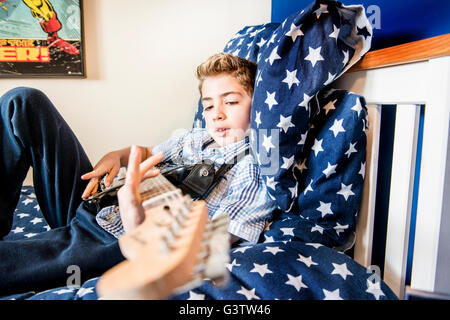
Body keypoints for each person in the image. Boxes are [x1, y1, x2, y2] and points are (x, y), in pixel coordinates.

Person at [0, 52, 277, 295]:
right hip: (97, 201)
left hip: (112, 237)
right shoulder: (196, 138)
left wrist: (140, 225)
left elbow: (216, 240)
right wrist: (117, 157)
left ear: (259, 105)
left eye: (230, 102)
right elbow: (146, 151)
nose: (216, 114)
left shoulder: (253, 166)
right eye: (208, 105)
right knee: (23, 102)